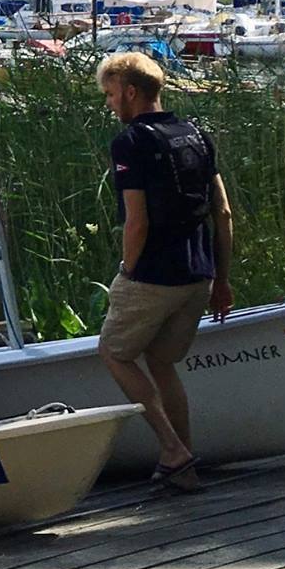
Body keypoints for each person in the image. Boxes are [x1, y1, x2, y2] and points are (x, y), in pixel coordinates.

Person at [96, 51, 235, 492]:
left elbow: (137, 221)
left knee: (114, 353)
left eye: (111, 94)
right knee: (160, 360)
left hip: (153, 275)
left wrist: (127, 270)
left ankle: (173, 449)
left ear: (131, 92)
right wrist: (222, 279)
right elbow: (224, 212)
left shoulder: (130, 143)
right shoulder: (195, 134)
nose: (109, 103)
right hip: (199, 273)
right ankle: (184, 464)